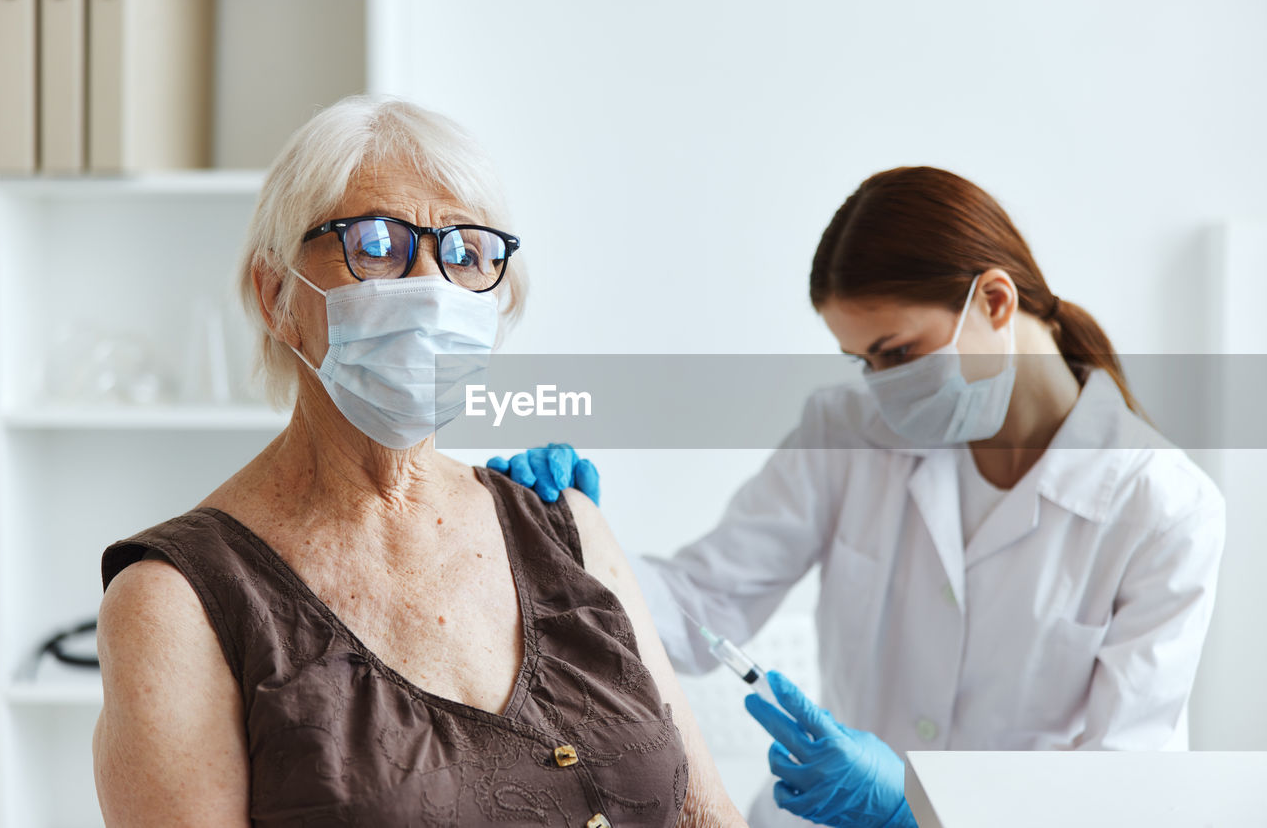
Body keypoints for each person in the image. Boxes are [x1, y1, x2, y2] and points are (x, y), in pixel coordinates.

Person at [489, 166, 1226, 827]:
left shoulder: (1164, 508)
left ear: (995, 301)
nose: (882, 386)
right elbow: (699, 605)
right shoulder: (847, 431)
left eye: (899, 353)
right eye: (865, 361)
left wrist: (919, 808)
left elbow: (1123, 794)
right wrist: (576, 540)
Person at [92, 96, 747, 827]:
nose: (432, 288)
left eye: (467, 254)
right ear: (277, 295)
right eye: (376, 243)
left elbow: (705, 814)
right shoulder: (178, 601)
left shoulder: (566, 527)